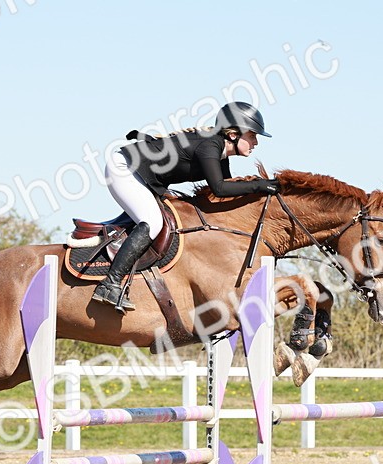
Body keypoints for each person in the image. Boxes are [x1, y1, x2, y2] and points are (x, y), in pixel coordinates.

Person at [91, 101, 280, 312]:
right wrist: (260, 184)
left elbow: (229, 195)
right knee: (152, 223)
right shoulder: (210, 146)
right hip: (125, 168)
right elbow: (219, 188)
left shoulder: (220, 154)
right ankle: (110, 284)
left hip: (144, 176)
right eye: (252, 135)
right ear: (234, 134)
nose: (256, 142)